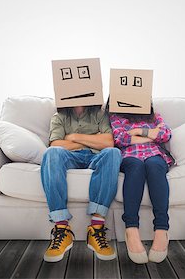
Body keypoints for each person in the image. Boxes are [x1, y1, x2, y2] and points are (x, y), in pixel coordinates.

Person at [41, 104, 122, 262]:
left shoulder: (99, 114)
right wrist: (93, 140)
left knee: (113, 153)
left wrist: (73, 137)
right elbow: (56, 145)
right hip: (70, 157)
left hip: (97, 156)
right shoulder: (59, 117)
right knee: (51, 153)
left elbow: (108, 142)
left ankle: (96, 229)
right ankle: (62, 228)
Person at [108, 101, 173, 264]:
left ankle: (161, 230)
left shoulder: (155, 116)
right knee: (136, 166)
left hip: (155, 156)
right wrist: (150, 134)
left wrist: (136, 132)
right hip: (129, 157)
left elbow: (165, 135)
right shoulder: (116, 117)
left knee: (154, 165)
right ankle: (131, 230)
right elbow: (121, 139)